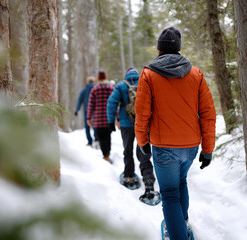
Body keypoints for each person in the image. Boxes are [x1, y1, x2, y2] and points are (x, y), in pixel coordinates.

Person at [134, 26, 216, 240]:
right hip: (190, 146)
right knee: (181, 183)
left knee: (170, 194)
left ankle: (176, 232)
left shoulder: (148, 74)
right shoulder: (196, 74)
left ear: (159, 50)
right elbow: (208, 114)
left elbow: (142, 114)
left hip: (163, 147)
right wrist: (207, 149)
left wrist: (142, 142)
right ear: (178, 50)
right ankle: (182, 224)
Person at [107, 67, 158, 201]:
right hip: (143, 124)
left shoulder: (122, 85)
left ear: (126, 74)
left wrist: (111, 121)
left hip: (126, 124)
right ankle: (148, 182)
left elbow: (112, 102)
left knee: (127, 150)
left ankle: (129, 177)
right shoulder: (144, 82)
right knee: (144, 152)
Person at [87, 70, 114, 162]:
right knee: (108, 137)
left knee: (101, 138)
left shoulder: (95, 89)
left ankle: (105, 155)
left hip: (98, 120)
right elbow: (115, 104)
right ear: (106, 77)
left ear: (98, 78)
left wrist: (88, 117)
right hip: (109, 119)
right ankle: (108, 154)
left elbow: (91, 105)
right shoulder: (111, 88)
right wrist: (117, 117)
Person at [75, 76, 98, 147]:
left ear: (88, 81)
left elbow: (79, 101)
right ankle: (96, 139)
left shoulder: (83, 90)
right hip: (95, 110)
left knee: (87, 126)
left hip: (86, 110)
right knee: (95, 125)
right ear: (93, 81)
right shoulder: (96, 89)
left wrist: (77, 110)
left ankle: (90, 141)